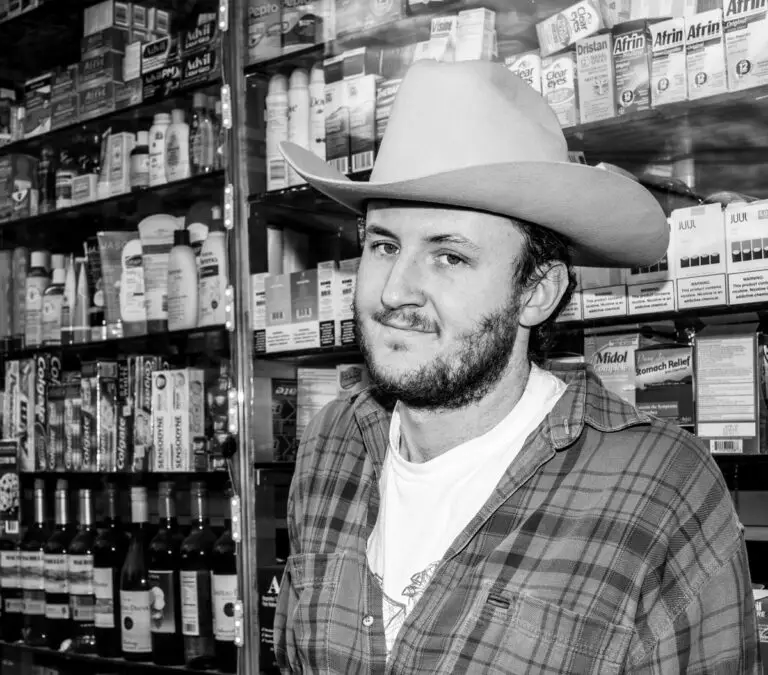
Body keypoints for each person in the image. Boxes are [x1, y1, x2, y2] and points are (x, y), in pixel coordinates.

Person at [272, 59, 758, 674]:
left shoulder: (660, 487)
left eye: (448, 256)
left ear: (536, 292)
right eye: (384, 245)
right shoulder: (331, 443)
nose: (395, 289)